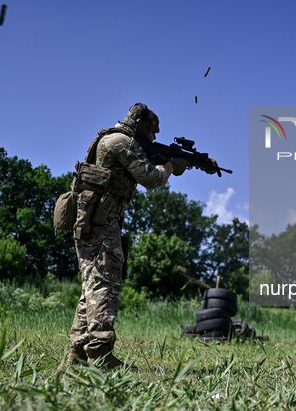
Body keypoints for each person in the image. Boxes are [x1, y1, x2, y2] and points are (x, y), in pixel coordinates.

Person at [66, 103, 199, 369]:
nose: (154, 139)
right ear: (141, 125)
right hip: (100, 223)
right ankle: (101, 355)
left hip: (96, 221)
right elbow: (151, 179)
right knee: (105, 286)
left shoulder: (111, 139)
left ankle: (79, 354)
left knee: (92, 288)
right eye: (152, 132)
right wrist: (171, 165)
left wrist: (175, 161)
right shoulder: (121, 142)